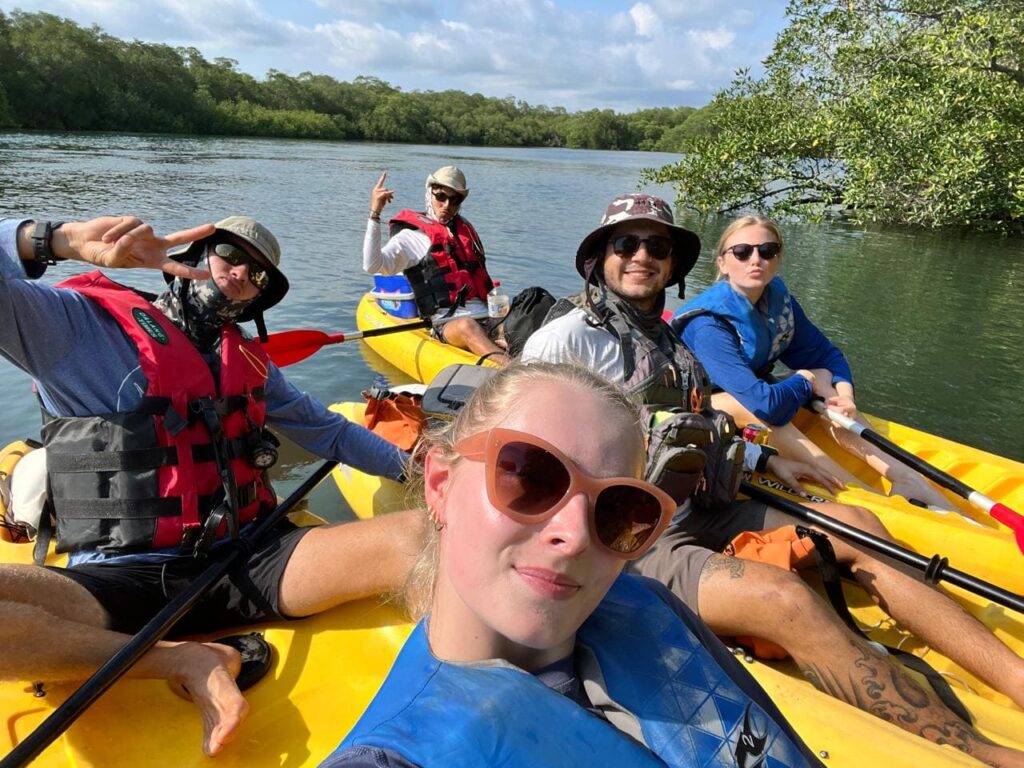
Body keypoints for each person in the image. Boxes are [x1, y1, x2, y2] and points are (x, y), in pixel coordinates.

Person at [520, 193, 1024, 764]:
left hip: (703, 501)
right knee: (782, 597)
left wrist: (765, 461)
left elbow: (697, 417)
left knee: (858, 525)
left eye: (656, 246)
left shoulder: (667, 340)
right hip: (630, 535)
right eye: (625, 243)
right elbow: (526, 452)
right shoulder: (566, 340)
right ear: (599, 258)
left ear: (672, 263)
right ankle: (987, 752)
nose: (642, 256)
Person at [0, 215, 424, 757]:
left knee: (423, 537)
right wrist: (53, 242)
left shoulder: (249, 363)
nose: (244, 272)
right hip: (123, 578)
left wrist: (417, 470)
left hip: (252, 559)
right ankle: (179, 659)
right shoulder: (76, 328)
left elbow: (327, 431)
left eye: (262, 276)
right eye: (229, 253)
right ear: (191, 252)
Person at [321, 361, 824, 768]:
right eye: (531, 477)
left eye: (620, 508)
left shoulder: (652, 606)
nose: (577, 535)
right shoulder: (392, 759)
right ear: (439, 485)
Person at [673, 215, 949, 508]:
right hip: (699, 407)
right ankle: (859, 496)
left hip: (750, 395)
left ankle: (905, 477)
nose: (756, 259)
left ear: (778, 257)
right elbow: (767, 406)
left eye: (767, 251)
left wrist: (843, 396)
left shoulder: (778, 304)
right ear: (722, 263)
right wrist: (806, 379)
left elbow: (826, 356)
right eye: (742, 252)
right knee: (768, 406)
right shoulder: (707, 324)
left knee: (825, 392)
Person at [363, 167, 508, 363]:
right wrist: (375, 213)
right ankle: (513, 369)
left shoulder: (465, 231)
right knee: (467, 326)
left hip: (488, 317)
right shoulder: (411, 237)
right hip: (448, 324)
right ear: (429, 193)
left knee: (532, 302)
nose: (446, 205)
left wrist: (501, 325)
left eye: (454, 200)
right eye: (440, 196)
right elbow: (372, 265)